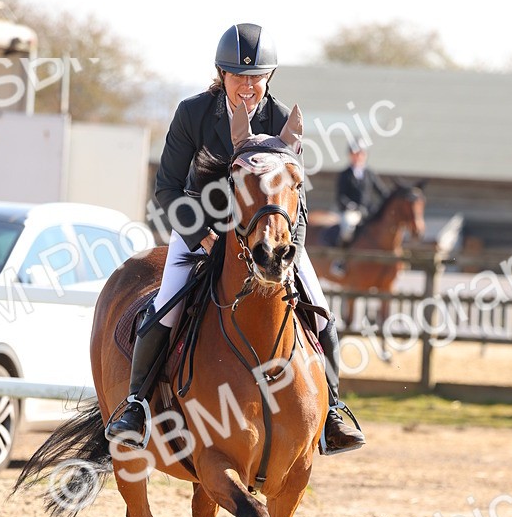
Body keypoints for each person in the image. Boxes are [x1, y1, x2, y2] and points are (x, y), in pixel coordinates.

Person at [105, 22, 364, 455]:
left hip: (270, 238)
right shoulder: (193, 114)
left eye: (256, 77)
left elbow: (296, 196)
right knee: (165, 307)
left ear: (269, 77)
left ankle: (333, 411)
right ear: (221, 74)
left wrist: (289, 248)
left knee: (321, 314)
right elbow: (167, 188)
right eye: (238, 76)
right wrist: (202, 236)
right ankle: (135, 406)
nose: (247, 85)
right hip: (201, 231)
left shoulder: (281, 119)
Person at [335, 140, 388, 243]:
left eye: (361, 153)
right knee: (347, 227)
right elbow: (341, 196)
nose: (358, 156)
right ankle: (342, 255)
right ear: (351, 155)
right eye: (356, 153)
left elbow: (382, 191)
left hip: (368, 210)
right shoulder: (345, 174)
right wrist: (351, 206)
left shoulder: (370, 173)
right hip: (352, 211)